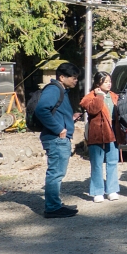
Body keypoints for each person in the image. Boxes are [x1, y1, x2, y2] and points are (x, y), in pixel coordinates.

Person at [35, 63, 82, 218]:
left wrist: (70, 118)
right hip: (56, 138)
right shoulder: (54, 89)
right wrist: (59, 129)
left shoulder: (60, 90)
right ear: (62, 77)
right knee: (55, 173)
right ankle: (52, 208)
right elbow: (42, 109)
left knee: (57, 173)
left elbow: (54, 111)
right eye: (73, 77)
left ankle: (54, 204)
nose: (76, 80)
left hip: (57, 137)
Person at [79, 71, 119, 203]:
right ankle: (97, 191)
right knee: (96, 164)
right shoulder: (90, 96)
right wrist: (99, 96)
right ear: (98, 83)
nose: (109, 84)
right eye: (105, 82)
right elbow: (93, 109)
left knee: (112, 162)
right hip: (97, 134)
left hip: (113, 133)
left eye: (109, 81)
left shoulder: (113, 96)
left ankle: (112, 190)